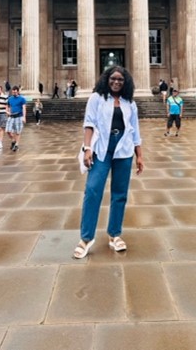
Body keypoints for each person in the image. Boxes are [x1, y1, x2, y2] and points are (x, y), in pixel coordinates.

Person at [73, 66, 144, 259]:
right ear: (107, 79)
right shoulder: (96, 98)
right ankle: (86, 238)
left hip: (124, 148)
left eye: (121, 80)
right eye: (113, 79)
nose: (116, 82)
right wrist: (87, 148)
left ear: (125, 82)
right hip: (101, 148)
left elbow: (135, 130)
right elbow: (89, 124)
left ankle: (114, 234)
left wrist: (139, 155)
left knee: (120, 194)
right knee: (93, 190)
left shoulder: (130, 102)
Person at [6, 86, 27, 151]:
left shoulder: (22, 99)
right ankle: (13, 141)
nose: (14, 93)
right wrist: (7, 112)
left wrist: (24, 117)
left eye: (15, 91)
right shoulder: (10, 98)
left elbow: (24, 108)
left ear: (17, 91)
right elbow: (7, 106)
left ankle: (16, 145)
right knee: (8, 131)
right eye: (13, 91)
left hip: (19, 116)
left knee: (18, 132)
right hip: (11, 116)